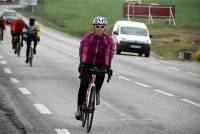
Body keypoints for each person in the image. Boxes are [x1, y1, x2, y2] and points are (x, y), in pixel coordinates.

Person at [75, 16, 115, 120]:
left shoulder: (108, 40)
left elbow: (109, 53)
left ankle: (96, 91)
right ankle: (79, 109)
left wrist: (108, 67)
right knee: (83, 85)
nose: (100, 28)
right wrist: (82, 63)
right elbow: (83, 50)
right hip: (87, 63)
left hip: (100, 63)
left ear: (104, 28)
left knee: (101, 75)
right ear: (94, 27)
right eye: (97, 26)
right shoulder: (88, 37)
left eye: (102, 26)